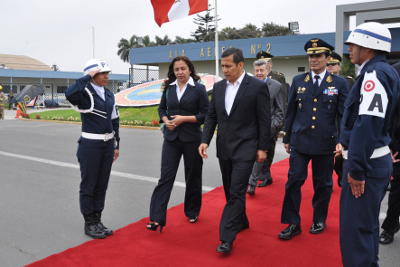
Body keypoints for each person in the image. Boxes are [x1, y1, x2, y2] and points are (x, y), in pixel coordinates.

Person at [337, 22, 400, 267]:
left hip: (368, 163)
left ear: (369, 46)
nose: (349, 49)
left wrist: (356, 169)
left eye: (353, 44)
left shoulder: (373, 74)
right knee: (367, 229)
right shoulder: (384, 70)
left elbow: (368, 125)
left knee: (355, 234)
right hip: (374, 160)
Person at [199, 47, 271, 254]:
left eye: (228, 66)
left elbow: (264, 121)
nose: (224, 70)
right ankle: (242, 221)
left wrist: (262, 148)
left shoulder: (256, 87)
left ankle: (226, 238)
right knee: (231, 190)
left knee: (238, 190)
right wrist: (205, 140)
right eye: (222, 66)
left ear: (240, 65)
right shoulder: (219, 87)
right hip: (225, 147)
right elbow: (212, 116)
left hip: (247, 147)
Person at [279, 39, 349, 240]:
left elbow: (343, 115)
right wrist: (287, 136)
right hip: (300, 141)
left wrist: (342, 140)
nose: (314, 59)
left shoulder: (339, 83)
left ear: (328, 58)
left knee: (323, 184)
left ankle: (319, 219)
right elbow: (290, 110)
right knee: (293, 181)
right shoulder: (299, 81)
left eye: (318, 56)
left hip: (326, 142)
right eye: (311, 56)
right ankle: (293, 222)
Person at [147, 56, 209, 233]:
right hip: (171, 139)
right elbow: (161, 109)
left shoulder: (199, 89)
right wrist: (166, 120)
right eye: (176, 70)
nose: (180, 72)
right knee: (165, 177)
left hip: (193, 139)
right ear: (172, 71)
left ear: (190, 69)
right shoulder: (169, 88)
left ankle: (192, 211)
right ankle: (156, 218)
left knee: (193, 177)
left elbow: (206, 114)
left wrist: (184, 119)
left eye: (183, 69)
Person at [65, 59, 120, 239]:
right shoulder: (84, 93)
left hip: (107, 146)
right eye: (102, 73)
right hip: (90, 146)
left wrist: (116, 144)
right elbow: (69, 93)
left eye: (107, 73)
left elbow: (114, 121)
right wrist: (86, 77)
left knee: (101, 185)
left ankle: (98, 220)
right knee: (89, 185)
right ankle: (89, 223)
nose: (106, 76)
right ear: (92, 75)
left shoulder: (110, 95)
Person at [247, 59, 284, 195]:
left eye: (262, 70)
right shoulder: (249, 85)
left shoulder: (276, 86)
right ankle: (267, 176)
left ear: (268, 70)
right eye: (256, 70)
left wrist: (274, 125)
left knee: (260, 153)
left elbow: (280, 110)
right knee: (260, 154)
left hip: (268, 127)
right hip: (251, 126)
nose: (259, 73)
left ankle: (251, 184)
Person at [327, 52, 356, 187]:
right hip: (328, 122)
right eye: (328, 65)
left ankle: (340, 173)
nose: (329, 67)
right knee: (328, 153)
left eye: (332, 65)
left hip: (343, 122)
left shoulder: (348, 81)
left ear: (339, 66)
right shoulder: (322, 82)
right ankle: (327, 179)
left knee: (341, 153)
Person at [380, 62, 400, 245]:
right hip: (398, 139)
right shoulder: (394, 71)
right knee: (397, 188)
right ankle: (390, 225)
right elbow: (388, 109)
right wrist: (389, 142)